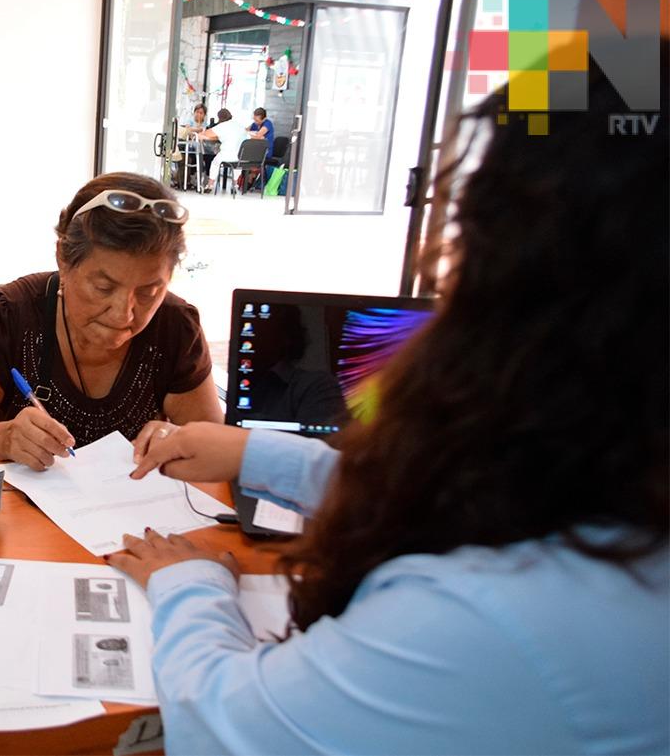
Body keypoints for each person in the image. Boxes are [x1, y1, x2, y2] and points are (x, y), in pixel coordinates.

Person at [108, 54, 669, 754]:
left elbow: (226, 723)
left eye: (465, 253)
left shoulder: (485, 620)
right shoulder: (617, 483)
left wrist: (188, 581)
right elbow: (476, 503)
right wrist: (256, 451)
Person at [0, 172, 223, 471]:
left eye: (149, 292)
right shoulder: (13, 314)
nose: (123, 314)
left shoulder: (174, 325)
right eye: (104, 288)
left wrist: (183, 440)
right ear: (63, 260)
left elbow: (221, 449)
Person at [199, 108, 247, 193]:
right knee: (237, 166)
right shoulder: (240, 126)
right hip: (240, 156)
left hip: (226, 155)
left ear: (219, 118)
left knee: (214, 163)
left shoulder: (221, 126)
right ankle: (235, 185)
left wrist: (205, 135)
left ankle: (210, 185)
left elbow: (206, 133)